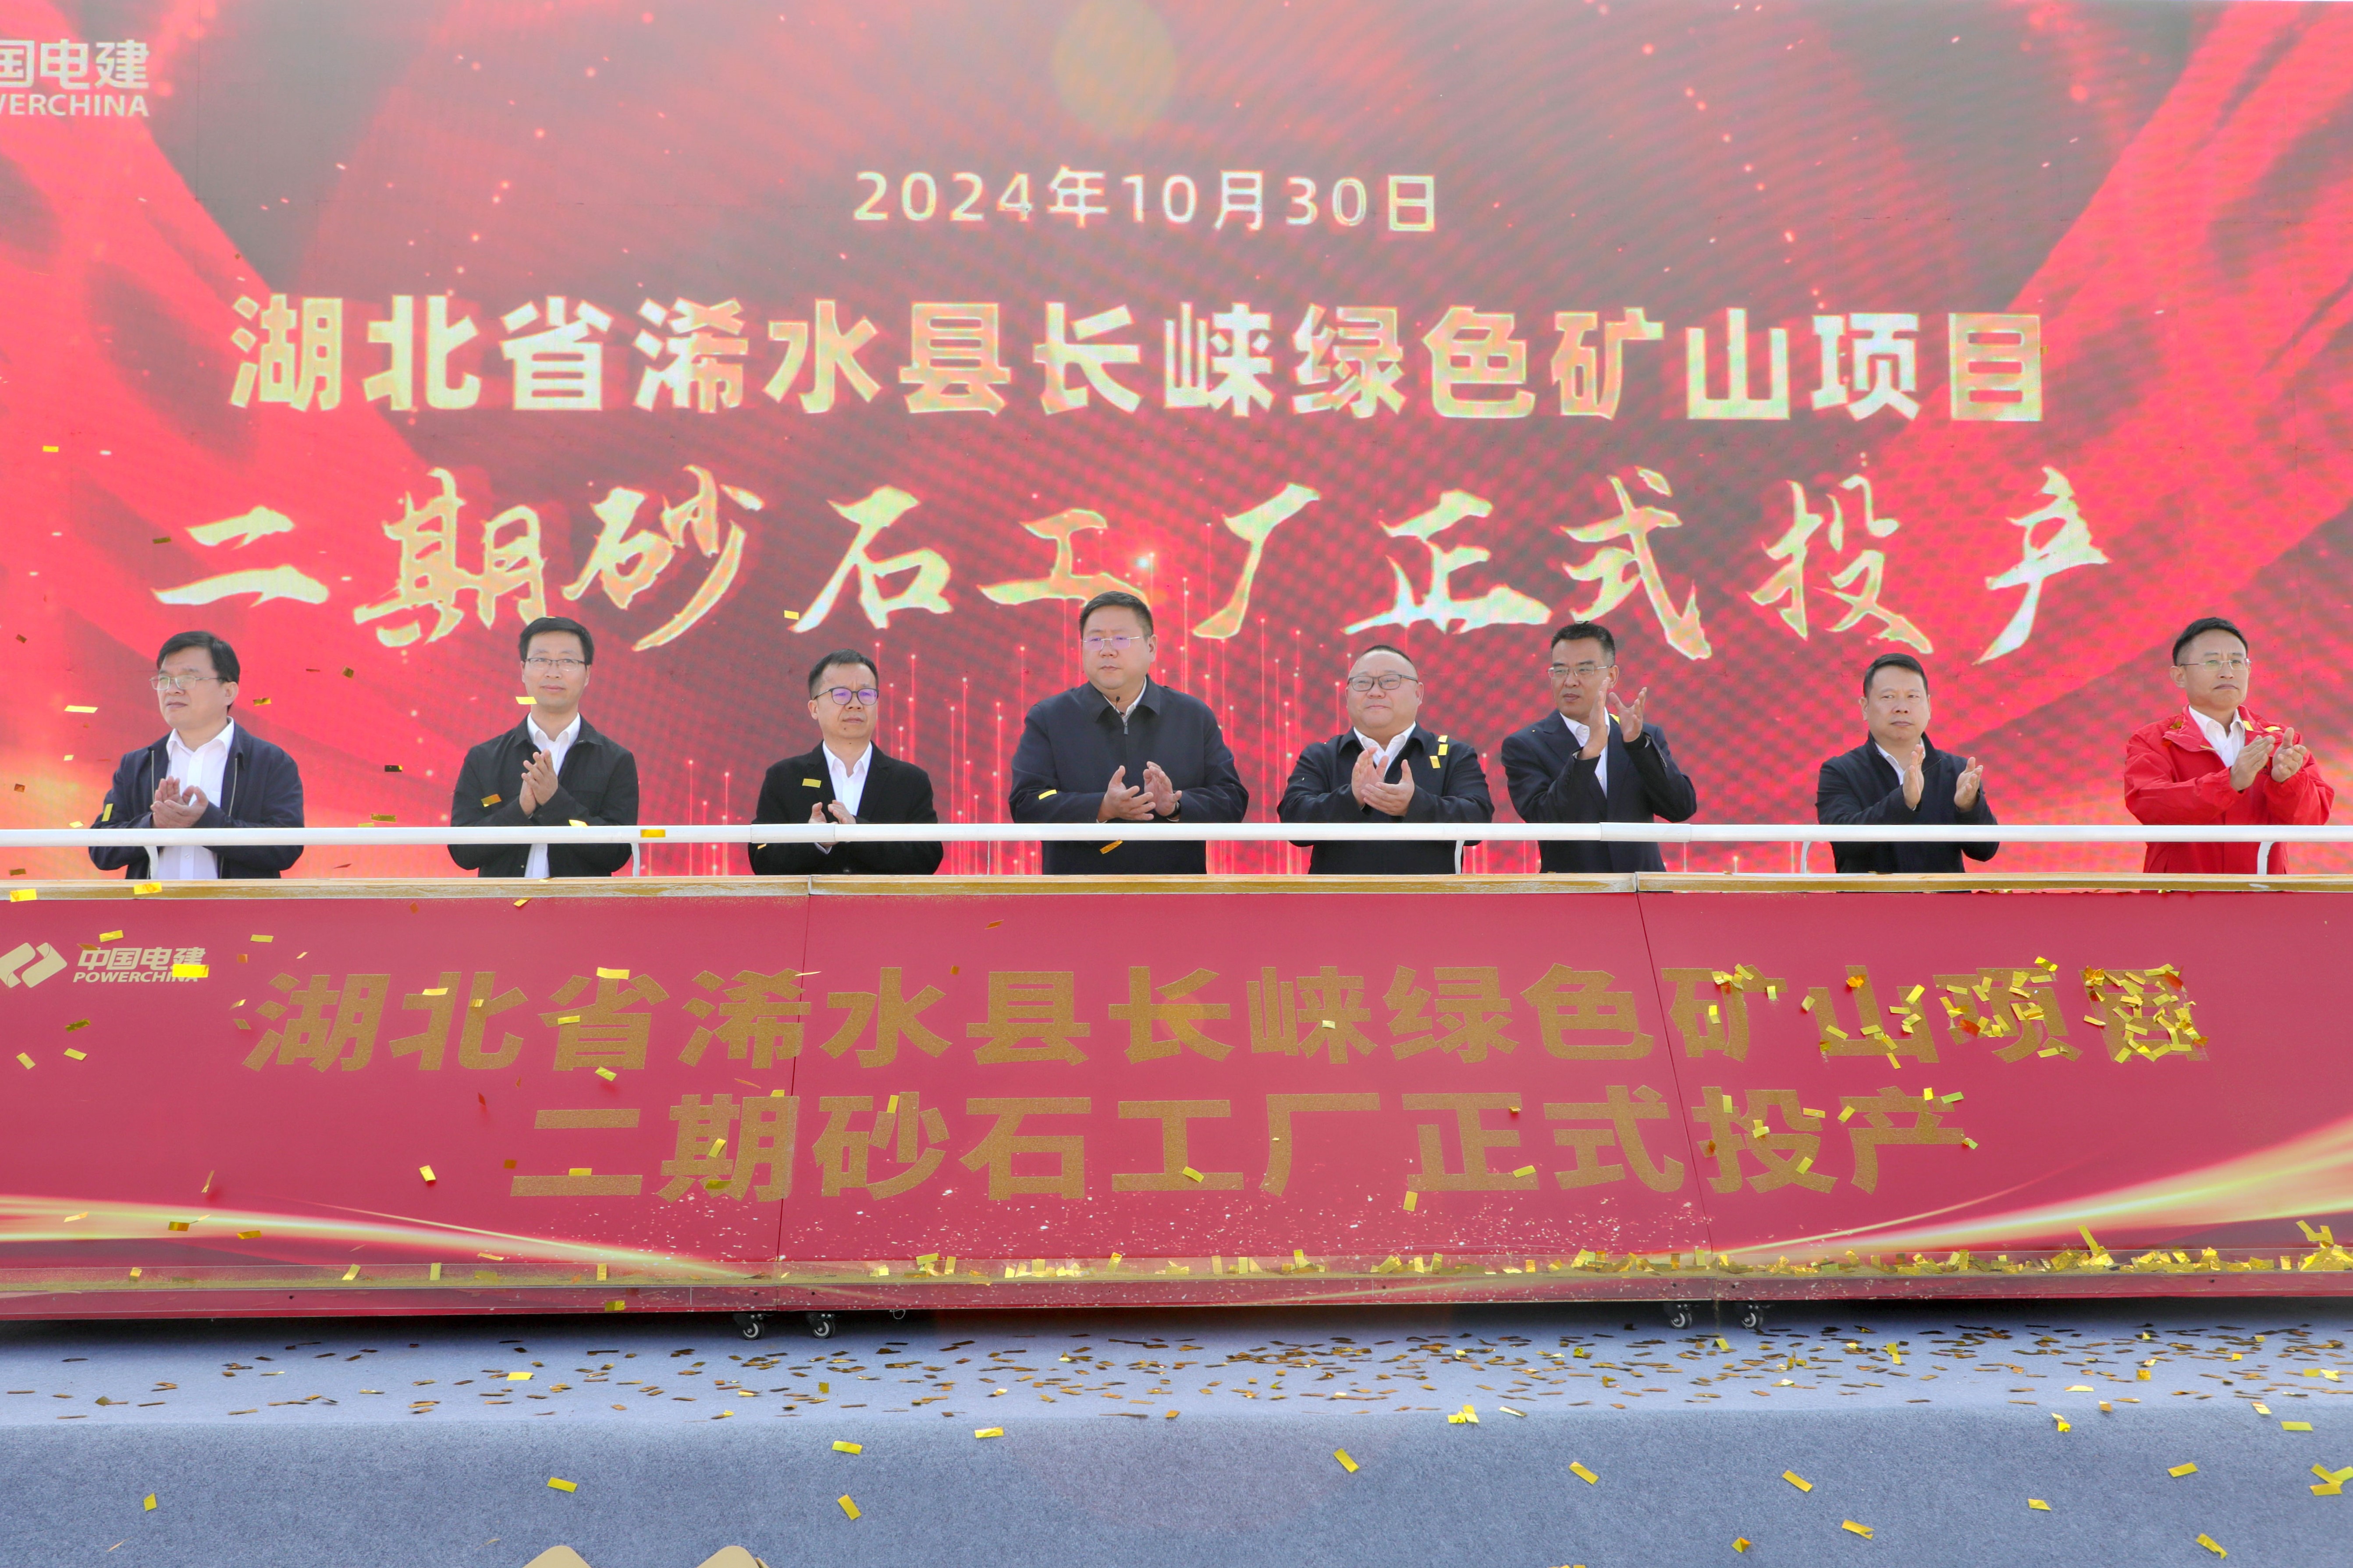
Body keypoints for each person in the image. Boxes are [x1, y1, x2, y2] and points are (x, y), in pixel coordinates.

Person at [1008, 590, 1247, 874]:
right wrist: (1102, 808)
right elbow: (1027, 804)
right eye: (1095, 639)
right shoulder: (1050, 718)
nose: (1107, 650)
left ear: (1151, 647)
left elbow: (1231, 799)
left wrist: (1176, 806)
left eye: (1121, 639)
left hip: (1175, 891)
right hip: (1078, 892)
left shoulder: (1193, 716)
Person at [2125, 615, 2333, 875]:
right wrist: (2231, 782)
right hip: (2180, 893)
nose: (2228, 672)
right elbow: (2150, 806)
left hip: (2261, 892)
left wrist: (2288, 783)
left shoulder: (2281, 741)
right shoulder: (2154, 740)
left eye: (2237, 661)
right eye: (2212, 662)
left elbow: (2312, 820)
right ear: (2180, 676)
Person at [89, 630, 304, 880]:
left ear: (228, 692)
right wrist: (155, 825)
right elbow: (101, 849)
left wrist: (208, 822)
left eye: (188, 679)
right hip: (155, 905)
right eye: (165, 680)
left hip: (237, 906)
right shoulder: (137, 764)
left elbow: (287, 848)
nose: (172, 690)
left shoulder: (270, 762)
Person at [1500, 620, 1698, 873]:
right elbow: (1544, 820)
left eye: (1584, 670)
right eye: (1560, 671)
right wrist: (1589, 754)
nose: (1570, 682)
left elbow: (1680, 808)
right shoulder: (1527, 745)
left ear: (1612, 676)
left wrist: (1638, 746)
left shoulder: (1642, 737)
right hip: (1573, 891)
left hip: (1642, 890)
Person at [448, 616, 638, 878]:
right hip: (504, 903)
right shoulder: (484, 758)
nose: (553, 672)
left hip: (578, 904)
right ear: (523, 670)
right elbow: (463, 852)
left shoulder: (615, 760)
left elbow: (616, 854)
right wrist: (520, 811)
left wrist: (556, 802)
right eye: (541, 660)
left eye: (568, 661)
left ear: (588, 674)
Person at [1278, 644, 1492, 873]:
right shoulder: (1322, 756)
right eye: (1363, 683)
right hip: (1340, 895)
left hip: (1430, 895)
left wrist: (1414, 805)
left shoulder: (1453, 754)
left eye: (1390, 681)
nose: (1375, 692)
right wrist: (1352, 798)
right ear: (1348, 696)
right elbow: (1294, 823)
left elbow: (1478, 820)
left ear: (1418, 694)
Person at [749, 649, 943, 876]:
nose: (855, 704)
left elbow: (927, 857)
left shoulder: (910, 781)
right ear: (814, 709)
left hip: (883, 900)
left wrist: (860, 834)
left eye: (866, 694)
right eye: (841, 694)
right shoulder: (784, 778)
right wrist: (813, 841)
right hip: (812, 900)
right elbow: (762, 858)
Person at [1814, 653, 1997, 873]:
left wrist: (1969, 808)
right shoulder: (1840, 771)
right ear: (1865, 707)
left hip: (1941, 897)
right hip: (1870, 897)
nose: (1902, 707)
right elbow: (1844, 842)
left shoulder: (1957, 771)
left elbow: (1985, 851)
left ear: (1929, 706)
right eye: (1888, 697)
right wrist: (1904, 802)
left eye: (1913, 697)